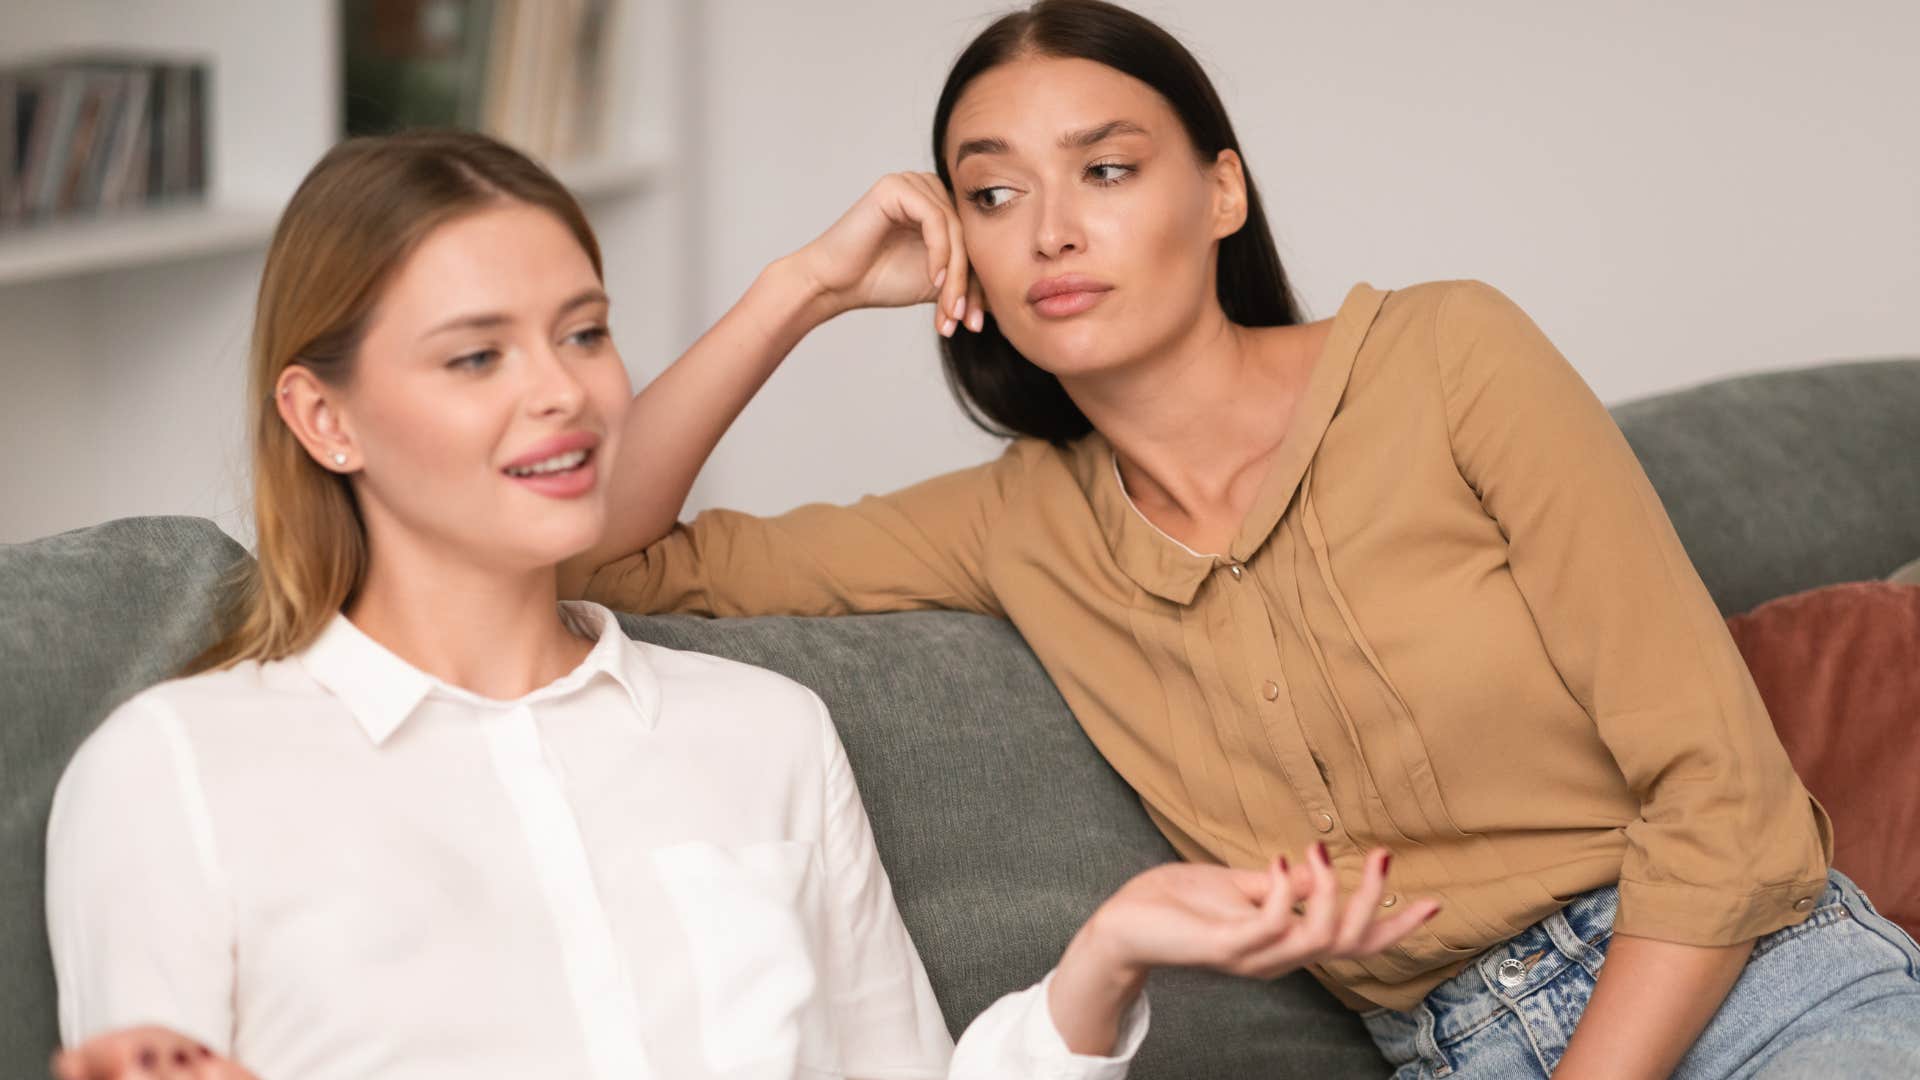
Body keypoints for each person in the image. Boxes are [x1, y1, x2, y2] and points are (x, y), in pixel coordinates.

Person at [569, 1, 1920, 1076]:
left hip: (1759, 994)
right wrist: (797, 291)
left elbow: (1727, 805)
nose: (1051, 229)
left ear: (1221, 194)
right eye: (991, 196)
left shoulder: (1451, 359)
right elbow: (597, 553)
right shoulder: (1012, 525)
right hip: (1452, 1049)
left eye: (1105, 169)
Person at [45, 129, 1434, 1080]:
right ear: (323, 417)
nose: (564, 392)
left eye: (585, 331)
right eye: (476, 357)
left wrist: (1112, 951)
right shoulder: (175, 776)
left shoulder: (759, 733)